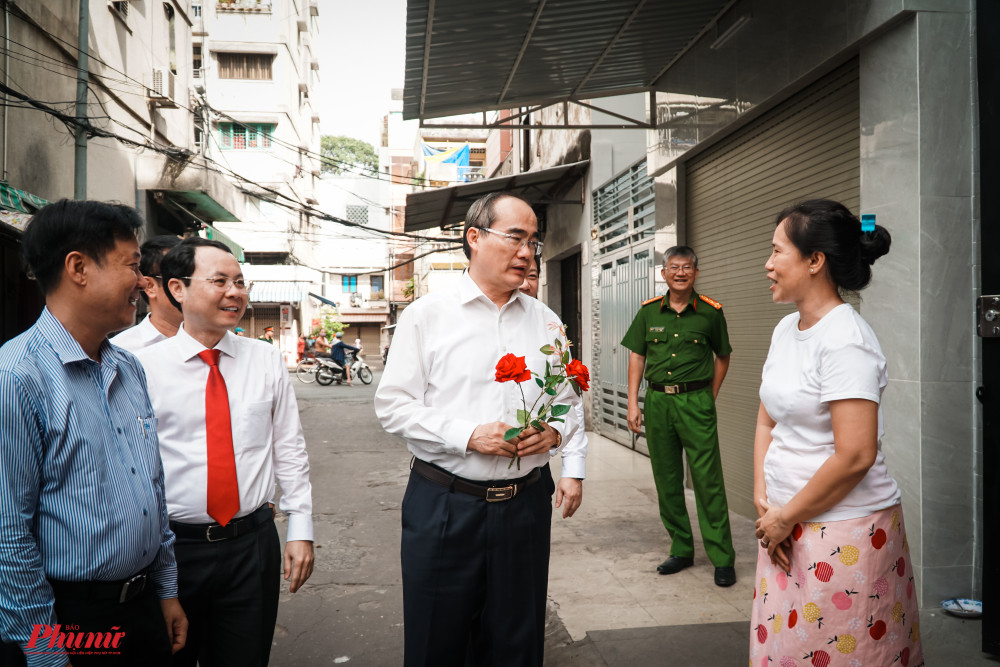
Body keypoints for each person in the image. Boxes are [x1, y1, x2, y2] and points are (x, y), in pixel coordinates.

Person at [374, 191, 586, 667]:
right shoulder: (427, 316)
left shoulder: (547, 322)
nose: (528, 252)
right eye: (515, 237)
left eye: (533, 240)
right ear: (474, 237)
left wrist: (554, 436)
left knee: (518, 642)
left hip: (525, 506)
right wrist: (467, 435)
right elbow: (392, 406)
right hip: (445, 505)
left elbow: (567, 402)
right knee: (438, 642)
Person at [0, 200, 186, 667]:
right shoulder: (17, 377)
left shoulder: (128, 369)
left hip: (142, 608)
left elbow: (152, 490)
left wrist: (165, 592)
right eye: (132, 265)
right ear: (78, 268)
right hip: (73, 620)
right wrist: (43, 651)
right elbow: (7, 532)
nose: (144, 282)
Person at [751, 200, 922, 664]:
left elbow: (855, 455)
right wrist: (765, 499)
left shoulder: (846, 340)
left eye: (776, 251)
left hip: (843, 532)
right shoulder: (786, 329)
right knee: (788, 650)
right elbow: (768, 418)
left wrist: (787, 517)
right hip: (783, 526)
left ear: (814, 261)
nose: (767, 264)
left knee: (842, 652)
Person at [135, 238, 314, 667]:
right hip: (172, 551)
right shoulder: (138, 366)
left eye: (239, 282)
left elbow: (288, 446)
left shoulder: (265, 360)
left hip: (251, 546)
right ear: (177, 289)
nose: (234, 292)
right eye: (219, 281)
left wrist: (301, 527)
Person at [621, 246, 736, 587]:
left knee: (707, 480)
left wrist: (707, 396)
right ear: (664, 273)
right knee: (667, 479)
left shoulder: (711, 314)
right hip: (657, 403)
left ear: (696, 273)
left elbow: (723, 356)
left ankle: (722, 557)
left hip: (695, 402)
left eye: (687, 267)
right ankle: (681, 548)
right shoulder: (648, 313)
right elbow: (637, 357)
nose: (680, 273)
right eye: (674, 267)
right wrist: (632, 403)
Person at [111, 235, 182, 352]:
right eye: (183, 280)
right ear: (150, 286)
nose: (194, 287)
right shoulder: (121, 351)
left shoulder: (216, 343)